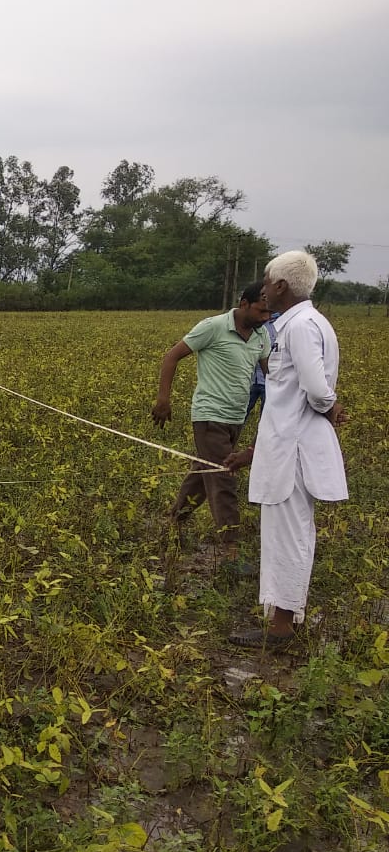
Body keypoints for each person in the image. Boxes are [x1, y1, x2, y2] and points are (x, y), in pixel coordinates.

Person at [224, 251, 348, 648]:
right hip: (285, 445)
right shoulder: (303, 324)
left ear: (280, 286)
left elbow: (314, 389)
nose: (262, 287)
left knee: (289, 536)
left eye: (266, 280)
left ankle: (281, 630)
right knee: (286, 534)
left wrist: (329, 407)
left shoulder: (300, 327)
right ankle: (283, 617)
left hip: (293, 452)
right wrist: (252, 452)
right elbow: (289, 399)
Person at [151, 283, 272, 564]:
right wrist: (163, 399)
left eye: (268, 312)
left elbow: (271, 375)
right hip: (209, 415)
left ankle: (173, 522)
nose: (265, 317)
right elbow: (172, 356)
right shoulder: (213, 327)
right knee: (223, 476)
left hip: (236, 417)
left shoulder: (261, 335)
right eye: (260, 310)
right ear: (244, 304)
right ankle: (230, 551)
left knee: (203, 472)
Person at [245, 311, 280, 421]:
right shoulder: (256, 323)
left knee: (266, 419)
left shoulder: (282, 324)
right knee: (238, 417)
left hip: (269, 380)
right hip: (251, 379)